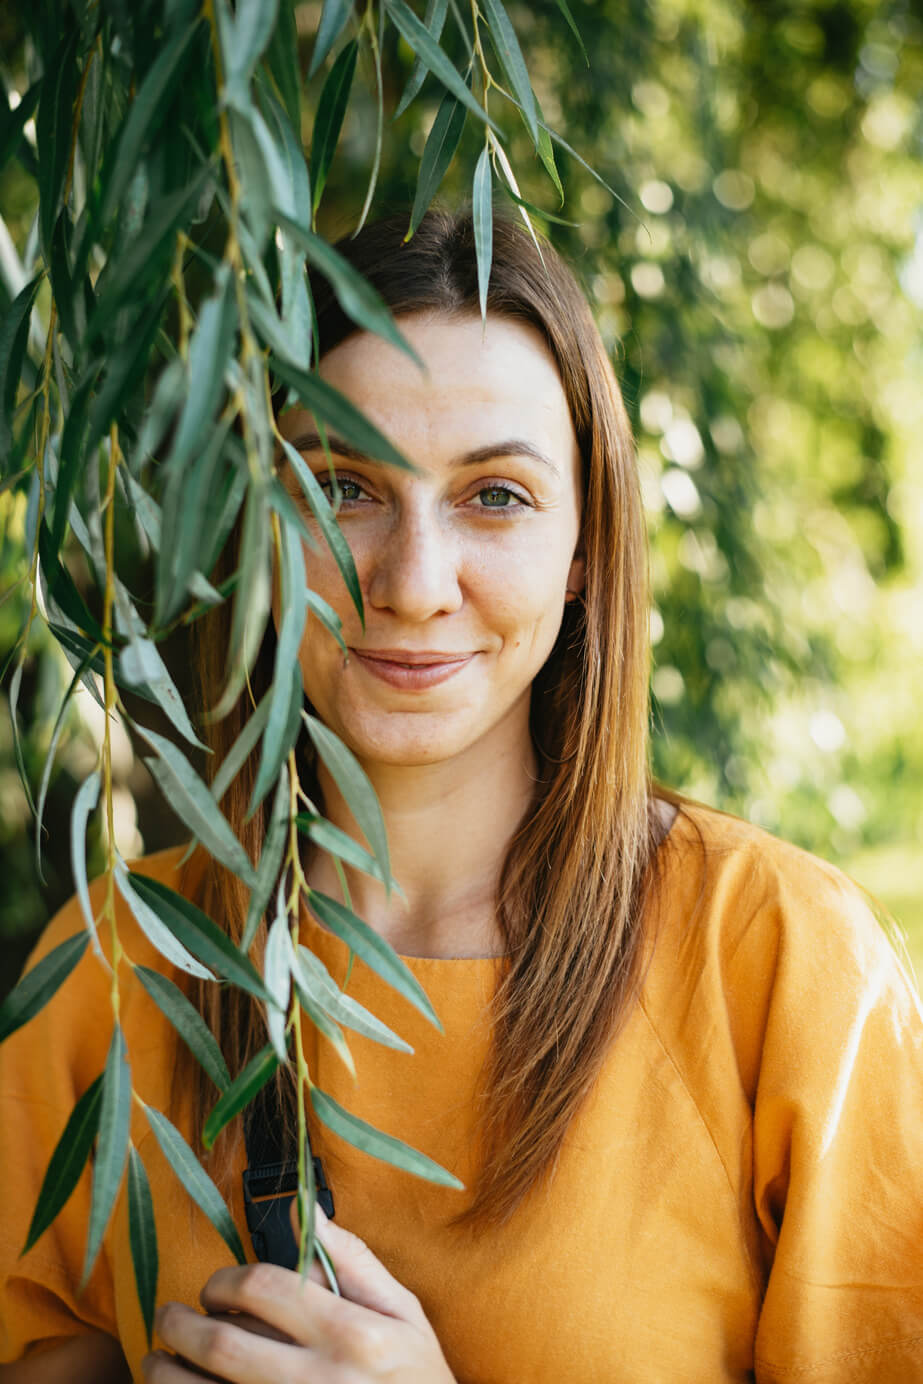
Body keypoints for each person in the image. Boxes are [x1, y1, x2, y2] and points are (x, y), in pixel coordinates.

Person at [1, 208, 922, 1384]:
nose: (412, 583)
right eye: (342, 487)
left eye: (494, 496)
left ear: (583, 547)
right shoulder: (117, 965)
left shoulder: (780, 964)